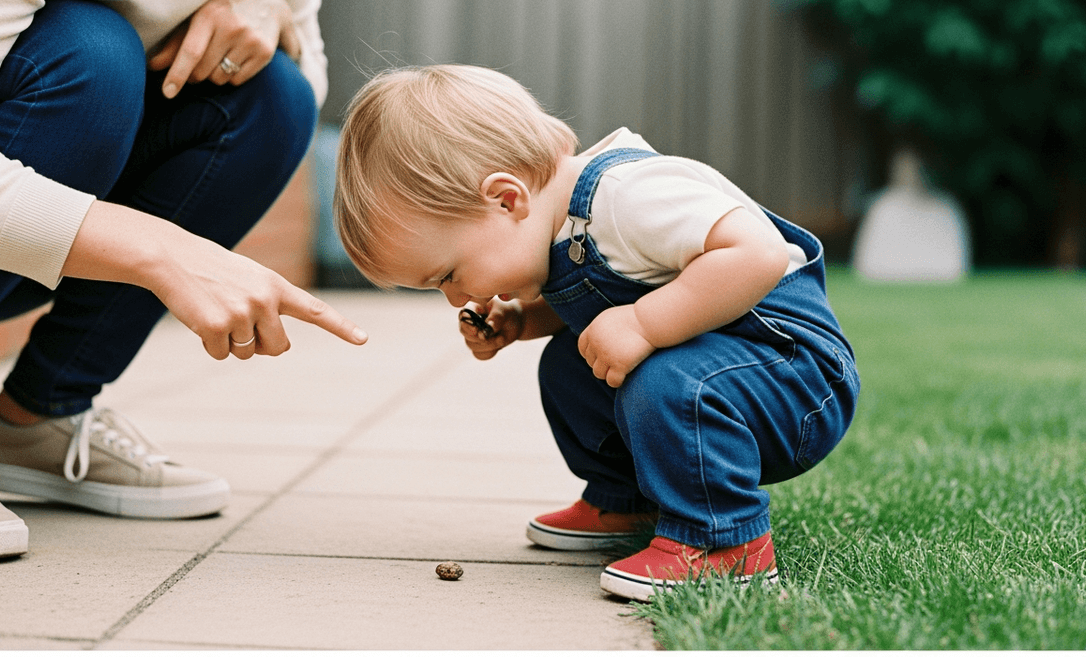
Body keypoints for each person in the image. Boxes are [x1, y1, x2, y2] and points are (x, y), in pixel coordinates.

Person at [0, 0, 485, 562]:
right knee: (92, 58)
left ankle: (36, 422)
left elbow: (296, 101)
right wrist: (157, 250)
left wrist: (269, 11)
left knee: (272, 97)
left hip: (5, 250)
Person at [332, 64, 860, 601]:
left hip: (793, 374)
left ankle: (725, 543)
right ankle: (627, 501)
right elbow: (601, 294)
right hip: (729, 369)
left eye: (447, 274)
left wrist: (644, 322)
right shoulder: (557, 224)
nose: (455, 297)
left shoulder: (628, 196)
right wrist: (521, 320)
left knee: (664, 379)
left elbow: (758, 253)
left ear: (506, 199)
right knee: (568, 363)